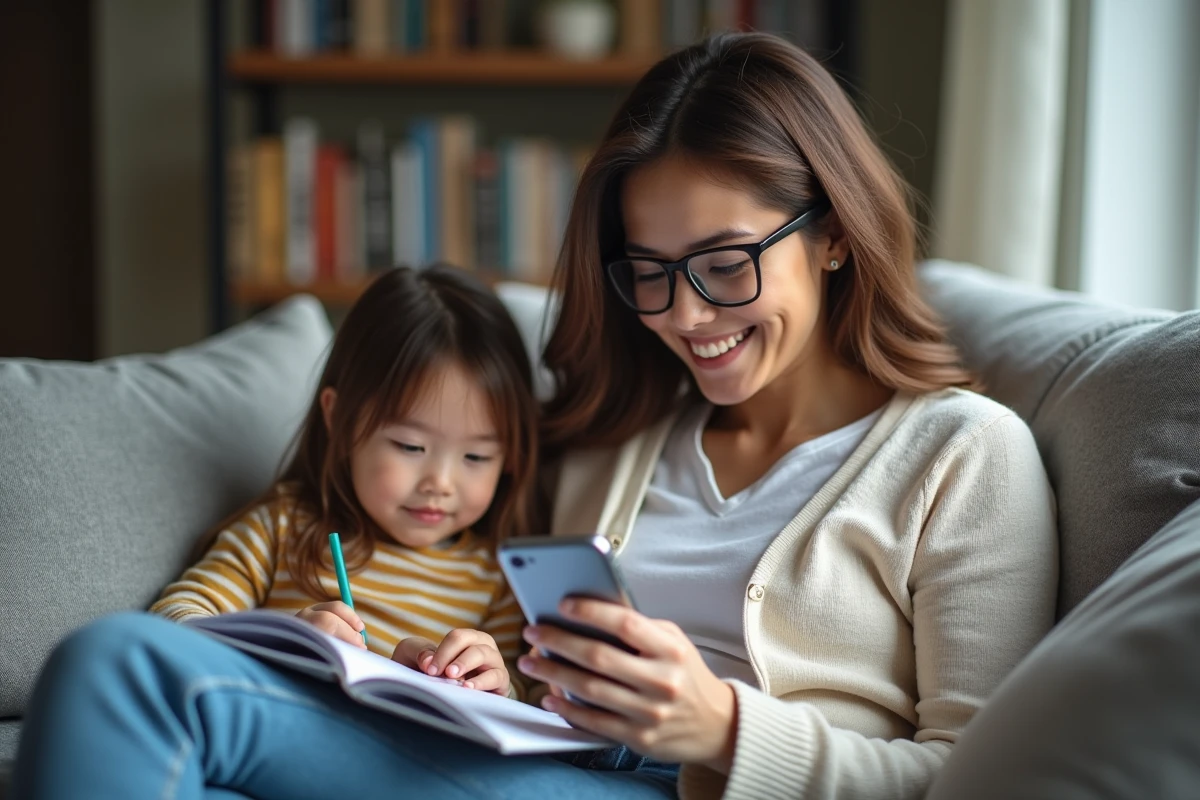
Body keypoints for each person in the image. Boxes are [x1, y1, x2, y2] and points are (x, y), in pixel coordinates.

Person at [13, 32, 1057, 800]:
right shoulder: (613, 434)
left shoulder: (963, 456)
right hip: (533, 754)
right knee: (129, 679)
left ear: (831, 234)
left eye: (726, 264)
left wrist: (724, 727)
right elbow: (477, 584)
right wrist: (475, 664)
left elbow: (985, 778)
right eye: (648, 274)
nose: (686, 315)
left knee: (137, 682)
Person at [146, 264, 540, 698]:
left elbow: (526, 692)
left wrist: (495, 683)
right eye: (410, 446)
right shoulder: (282, 528)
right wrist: (282, 642)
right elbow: (173, 617)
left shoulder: (497, 577)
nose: (440, 482)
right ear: (339, 418)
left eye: (476, 456)